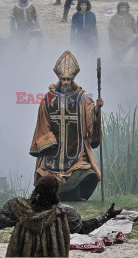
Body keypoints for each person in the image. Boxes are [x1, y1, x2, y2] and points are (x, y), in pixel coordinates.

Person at [0, 175, 122, 257]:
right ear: (56, 191)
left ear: (37, 190)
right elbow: (84, 228)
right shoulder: (64, 213)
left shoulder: (19, 209)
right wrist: (107, 215)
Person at [29, 50, 103, 201]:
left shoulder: (83, 97)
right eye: (64, 79)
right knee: (46, 174)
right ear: (59, 80)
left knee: (89, 173)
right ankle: (51, 197)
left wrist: (97, 109)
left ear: (73, 79)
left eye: (69, 79)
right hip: (54, 152)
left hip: (75, 150)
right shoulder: (48, 98)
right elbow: (42, 121)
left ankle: (78, 196)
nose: (66, 82)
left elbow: (90, 114)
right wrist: (47, 141)